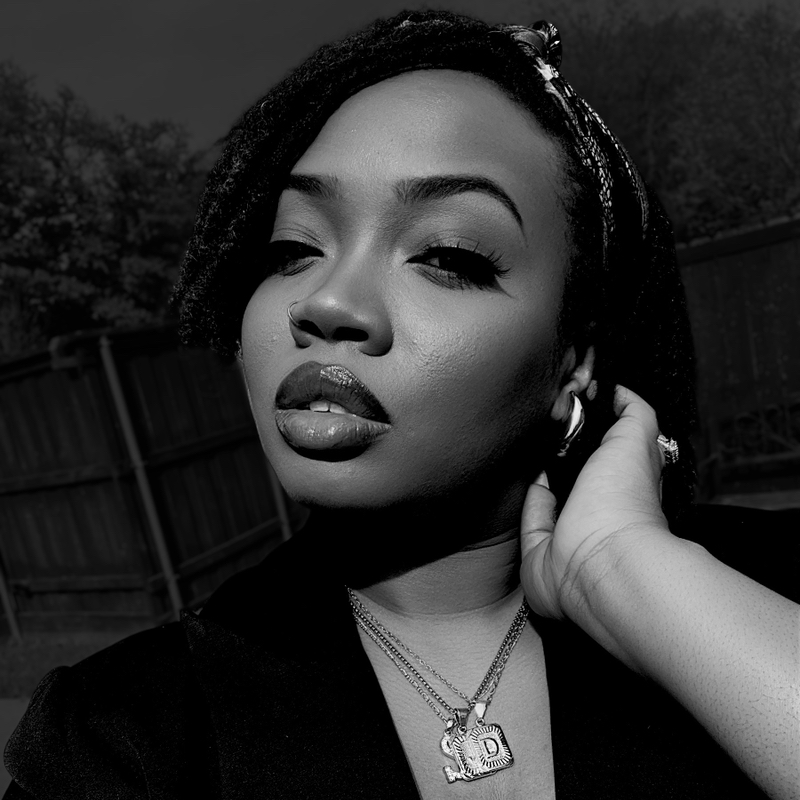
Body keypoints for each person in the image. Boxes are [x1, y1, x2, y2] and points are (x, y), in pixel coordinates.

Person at [4, 10, 798, 800]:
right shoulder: (121, 734)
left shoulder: (762, 586)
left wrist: (623, 568)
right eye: (293, 248)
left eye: (448, 255)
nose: (327, 302)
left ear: (573, 358)